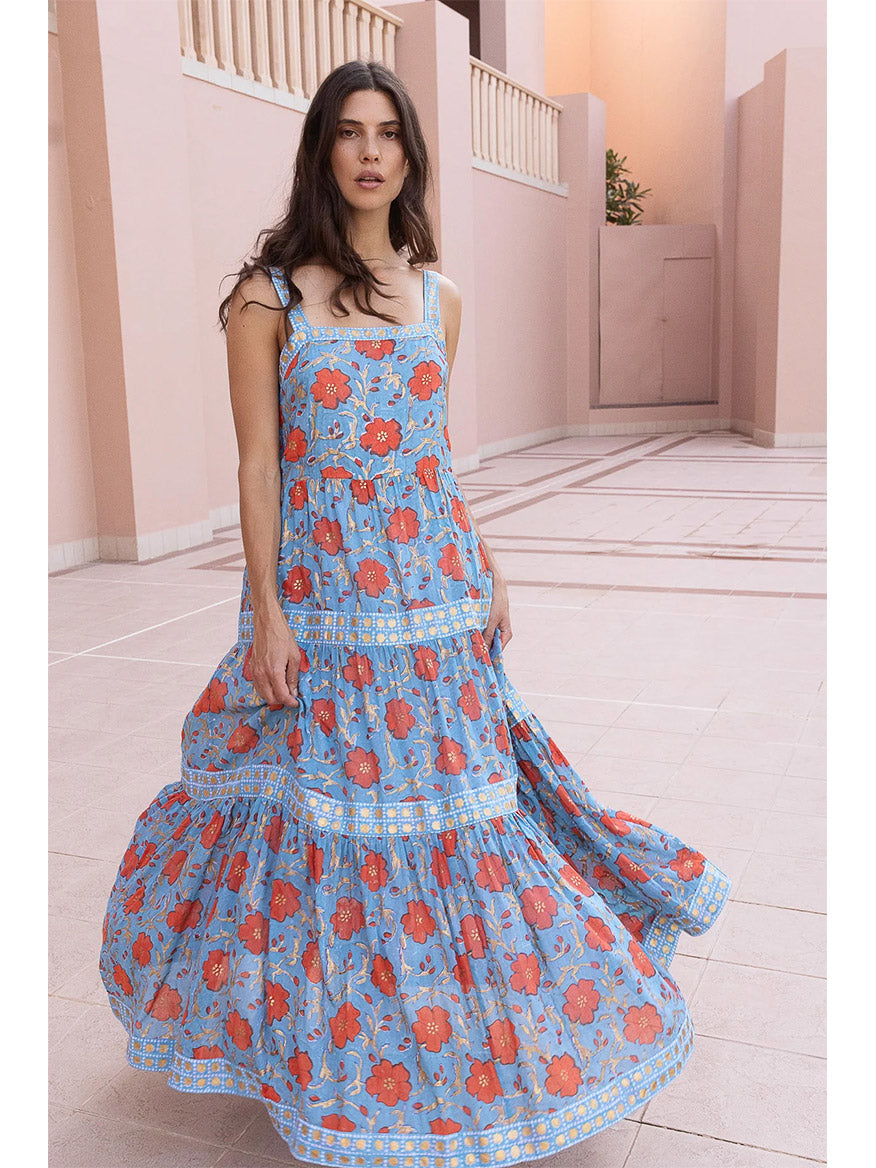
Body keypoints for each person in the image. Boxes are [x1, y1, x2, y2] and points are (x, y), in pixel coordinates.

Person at [100, 58, 730, 1167]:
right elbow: (260, 471)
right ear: (321, 153)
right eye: (349, 132)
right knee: (330, 837)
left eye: (389, 132)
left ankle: (467, 1043)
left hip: (435, 609)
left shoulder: (438, 295)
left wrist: (484, 560)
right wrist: (268, 617)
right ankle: (335, 1055)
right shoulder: (266, 297)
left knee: (462, 829)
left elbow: (430, 461)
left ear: (411, 154)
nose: (371, 151)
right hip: (327, 615)